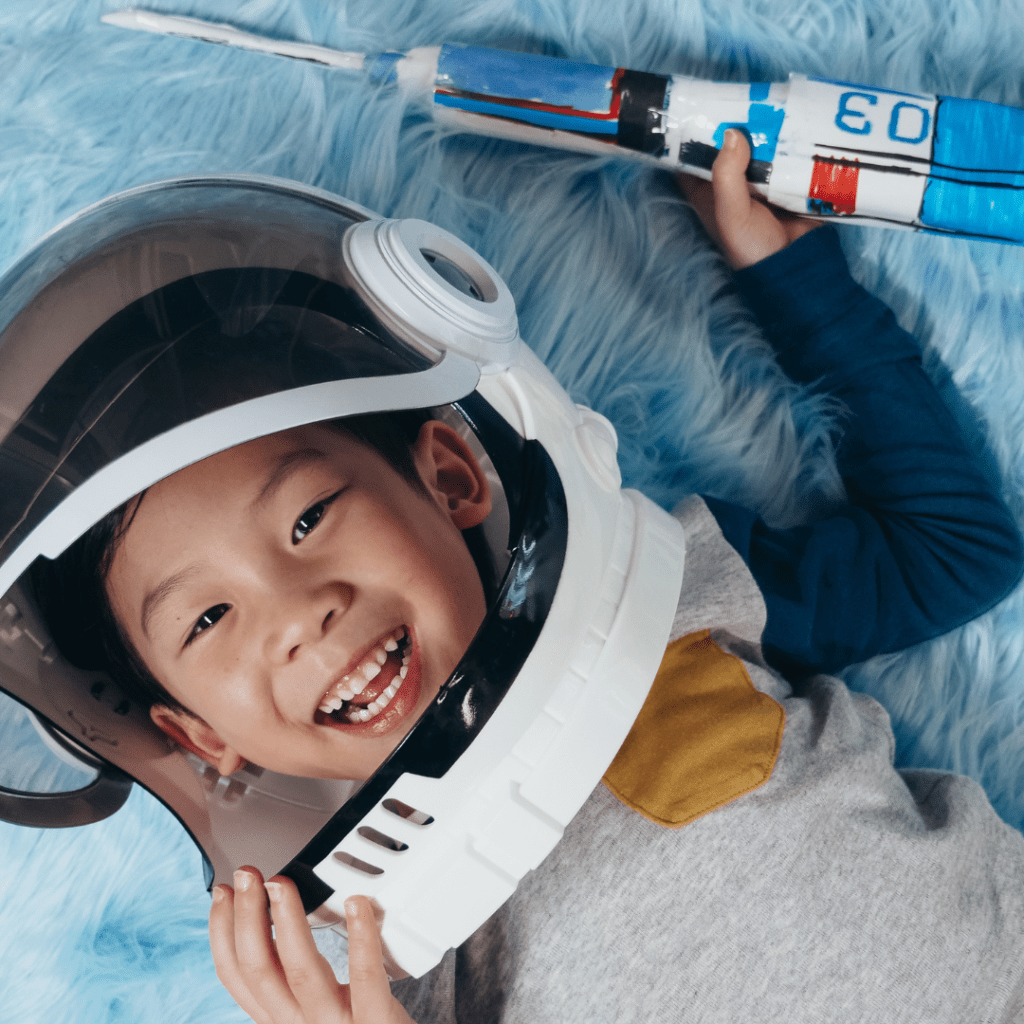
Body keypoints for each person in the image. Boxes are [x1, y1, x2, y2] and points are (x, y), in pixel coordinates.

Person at [37, 131, 1024, 1022]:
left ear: (451, 477)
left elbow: (954, 549)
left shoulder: (669, 587)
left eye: (308, 517)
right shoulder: (371, 944)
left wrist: (800, 285)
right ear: (198, 736)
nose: (300, 614)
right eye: (207, 618)